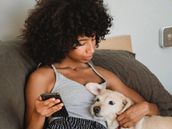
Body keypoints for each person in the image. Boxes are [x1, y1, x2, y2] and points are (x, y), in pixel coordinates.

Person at [22, 0, 159, 129]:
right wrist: (39, 113)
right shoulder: (43, 77)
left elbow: (155, 111)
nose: (91, 49)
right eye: (83, 42)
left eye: (93, 39)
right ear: (61, 41)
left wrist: (145, 107)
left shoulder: (102, 74)